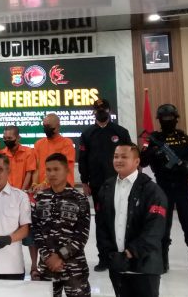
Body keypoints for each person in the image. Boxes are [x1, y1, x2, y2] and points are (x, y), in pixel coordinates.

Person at [140, 104, 188, 274]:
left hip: (182, 187)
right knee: (163, 225)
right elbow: (142, 161)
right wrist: (153, 152)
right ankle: (163, 260)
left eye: (171, 118)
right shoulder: (154, 139)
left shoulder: (183, 138)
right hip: (163, 187)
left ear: (176, 119)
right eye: (164, 118)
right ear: (159, 120)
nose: (168, 121)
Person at [96, 144, 167, 297]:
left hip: (144, 265)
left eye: (124, 157)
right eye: (116, 156)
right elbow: (101, 225)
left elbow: (155, 229)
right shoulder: (107, 187)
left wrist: (131, 252)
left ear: (136, 162)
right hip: (117, 265)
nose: (118, 160)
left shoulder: (152, 190)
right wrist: (109, 254)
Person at [78, 98, 131, 271]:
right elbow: (83, 159)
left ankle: (122, 255)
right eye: (97, 109)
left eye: (104, 109)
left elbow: (129, 156)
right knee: (101, 221)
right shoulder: (87, 134)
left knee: (121, 219)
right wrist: (84, 182)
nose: (101, 112)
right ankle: (104, 258)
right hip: (97, 185)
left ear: (109, 110)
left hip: (120, 183)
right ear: (93, 112)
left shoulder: (120, 132)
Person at [31, 153, 90, 296]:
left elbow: (81, 235)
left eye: (56, 169)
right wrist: (48, 257)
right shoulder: (40, 198)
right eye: (48, 170)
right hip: (47, 267)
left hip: (74, 268)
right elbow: (36, 230)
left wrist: (59, 256)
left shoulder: (79, 198)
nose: (52, 174)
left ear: (67, 170)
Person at [32, 114, 75, 189]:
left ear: (58, 126)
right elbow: (37, 168)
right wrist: (34, 184)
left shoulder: (66, 143)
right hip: (42, 189)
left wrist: (44, 184)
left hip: (63, 188)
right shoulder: (38, 144)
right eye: (44, 126)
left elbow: (60, 167)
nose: (46, 128)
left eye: (49, 126)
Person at [2, 126, 36, 190]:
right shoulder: (2, 154)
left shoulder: (28, 152)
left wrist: (21, 191)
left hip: (23, 191)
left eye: (9, 138)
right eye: (4, 138)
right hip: (6, 191)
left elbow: (29, 173)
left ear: (18, 138)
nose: (7, 140)